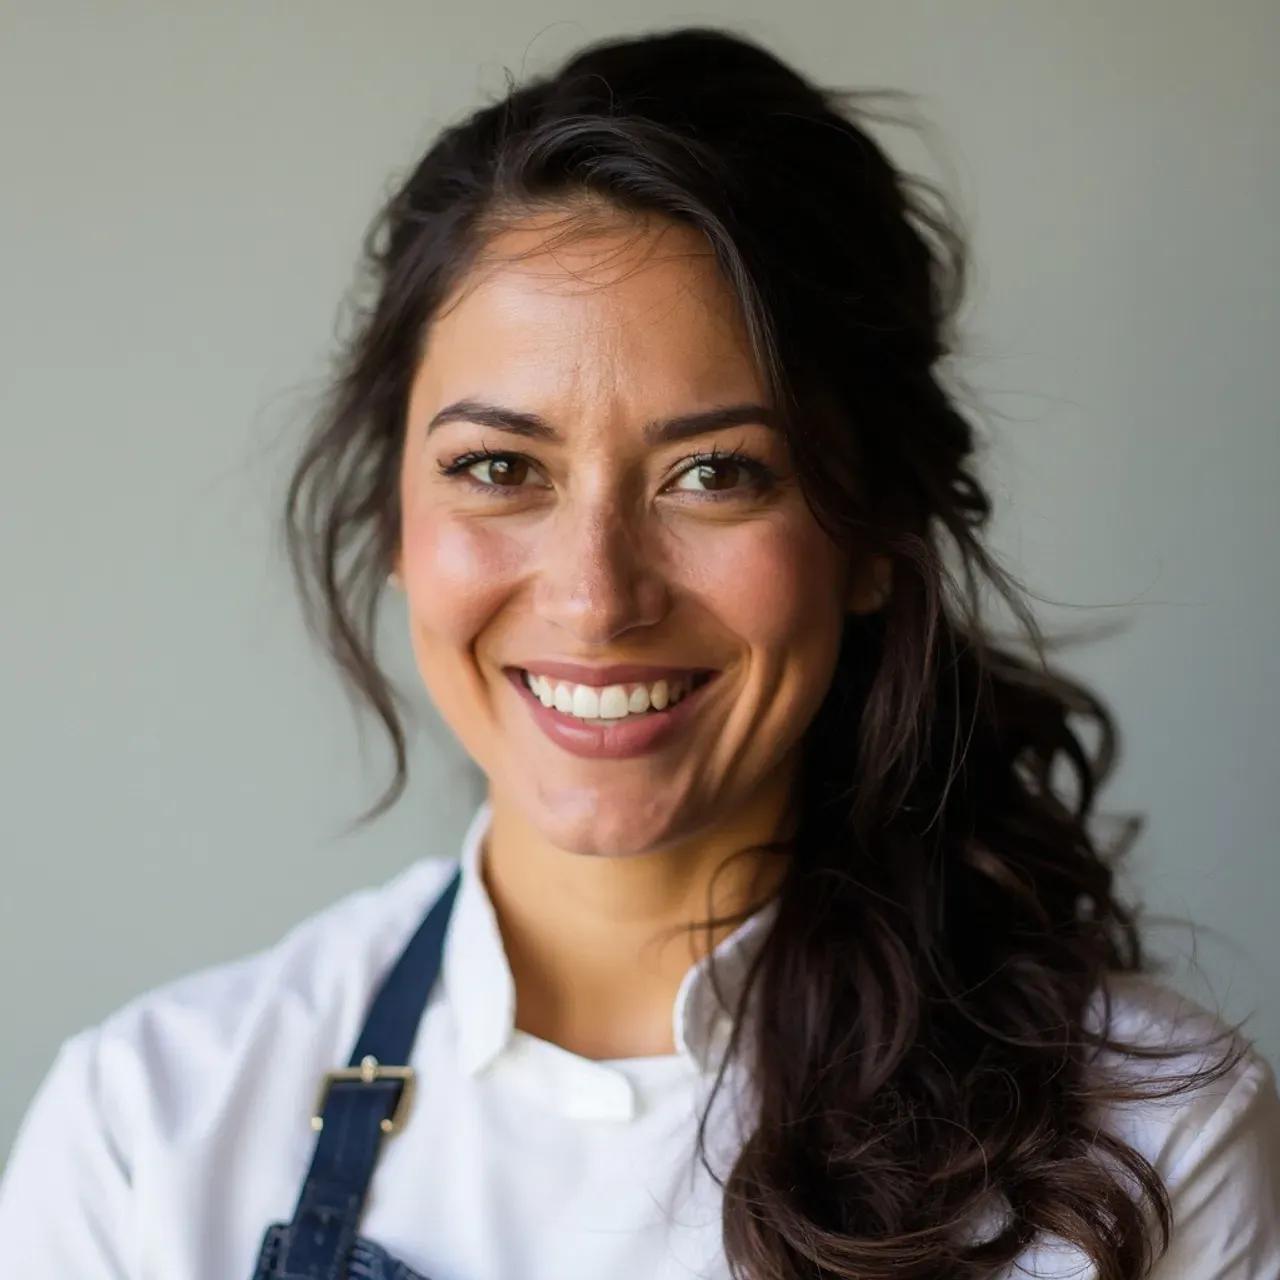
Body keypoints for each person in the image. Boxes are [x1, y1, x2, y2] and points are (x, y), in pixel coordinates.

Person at [2, 23, 1278, 1280]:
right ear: (398, 518)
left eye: (712, 473)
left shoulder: (1149, 1144)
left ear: (873, 530)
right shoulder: (145, 1138)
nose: (595, 594)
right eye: (498, 468)